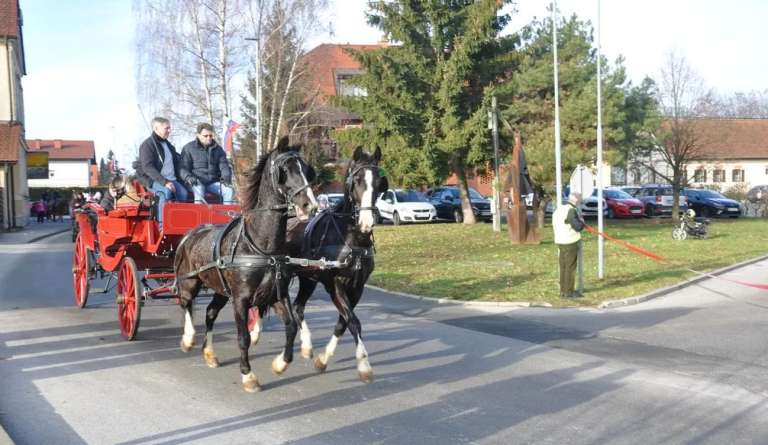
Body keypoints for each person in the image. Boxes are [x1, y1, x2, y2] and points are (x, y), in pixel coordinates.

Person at [138, 116, 189, 227]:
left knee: (184, 194)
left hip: (172, 179)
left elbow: (177, 164)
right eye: (167, 128)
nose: (169, 131)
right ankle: (163, 226)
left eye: (169, 128)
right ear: (156, 128)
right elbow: (148, 167)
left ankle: (179, 222)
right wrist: (165, 182)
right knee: (165, 192)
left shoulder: (169, 146)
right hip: (153, 180)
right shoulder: (147, 145)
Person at [180, 123, 234, 204]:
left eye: (211, 135)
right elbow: (182, 168)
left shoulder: (218, 149)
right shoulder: (188, 148)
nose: (209, 138)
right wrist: (188, 177)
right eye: (205, 136)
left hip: (212, 182)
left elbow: (224, 165)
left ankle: (227, 215)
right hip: (195, 182)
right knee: (199, 190)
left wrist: (226, 177)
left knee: (229, 191)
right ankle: (199, 216)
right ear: (198, 135)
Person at [552, 192, 585, 299]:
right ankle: (569, 292)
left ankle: (563, 290)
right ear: (576, 200)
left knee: (563, 266)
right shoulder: (571, 210)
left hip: (560, 241)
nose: (580, 203)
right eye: (580, 200)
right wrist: (582, 222)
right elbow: (577, 226)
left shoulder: (559, 209)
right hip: (570, 241)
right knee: (570, 267)